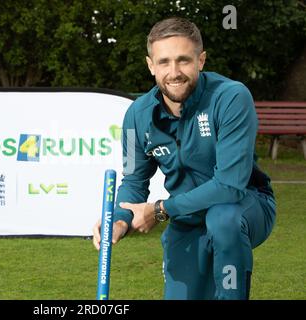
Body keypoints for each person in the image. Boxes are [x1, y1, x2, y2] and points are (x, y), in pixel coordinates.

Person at [92, 17, 276, 300]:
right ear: (151, 65)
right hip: (185, 217)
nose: (174, 72)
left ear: (201, 60)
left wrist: (160, 209)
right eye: (164, 62)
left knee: (223, 217)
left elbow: (229, 185)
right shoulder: (135, 115)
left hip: (245, 205)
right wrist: (119, 218)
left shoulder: (231, 97)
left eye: (183, 60)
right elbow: (134, 180)